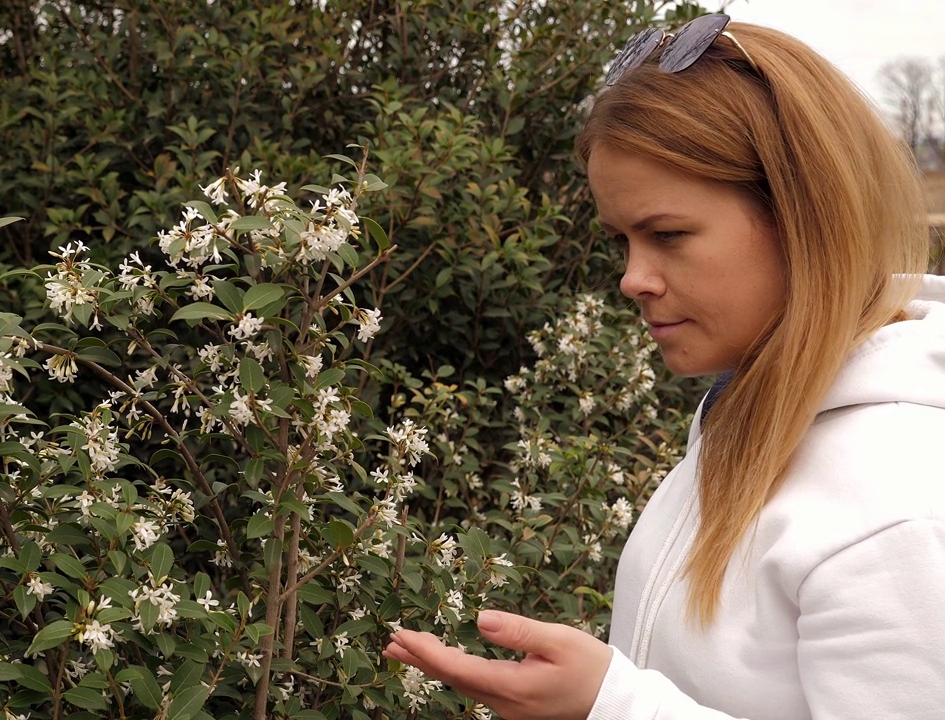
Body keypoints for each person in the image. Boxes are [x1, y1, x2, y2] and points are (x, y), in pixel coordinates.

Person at [383, 14, 945, 720]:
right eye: (621, 240)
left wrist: (611, 705)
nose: (632, 279)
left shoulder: (899, 504)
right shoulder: (750, 410)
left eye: (668, 235)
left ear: (805, 217)